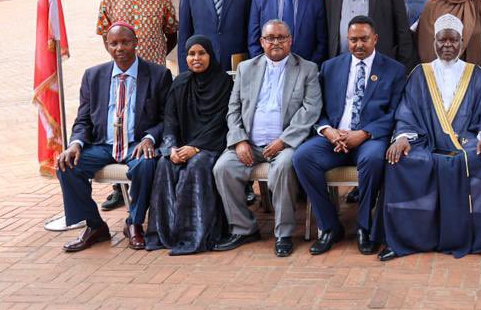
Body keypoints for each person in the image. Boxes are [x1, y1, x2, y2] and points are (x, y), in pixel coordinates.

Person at [377, 14, 481, 262]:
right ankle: (405, 239)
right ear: (434, 42)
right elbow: (407, 111)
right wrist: (402, 137)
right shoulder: (420, 73)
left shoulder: (475, 74)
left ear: (462, 42)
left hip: (465, 143)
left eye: (453, 40)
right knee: (400, 161)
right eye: (442, 40)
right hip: (426, 142)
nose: (447, 45)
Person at [292, 16, 405, 255]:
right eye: (353, 40)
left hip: (369, 139)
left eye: (364, 39)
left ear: (375, 39)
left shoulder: (394, 70)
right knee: (302, 157)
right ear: (347, 40)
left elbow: (395, 112)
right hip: (333, 138)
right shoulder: (330, 67)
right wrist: (328, 131)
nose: (358, 45)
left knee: (374, 159)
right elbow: (317, 108)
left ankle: (364, 226)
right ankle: (330, 226)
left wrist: (363, 134)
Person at [56, 23, 173, 252]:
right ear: (106, 45)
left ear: (136, 42)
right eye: (114, 43)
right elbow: (83, 119)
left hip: (136, 144)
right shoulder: (93, 76)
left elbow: (167, 119)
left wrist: (149, 138)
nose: (120, 47)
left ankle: (135, 224)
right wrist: (75, 144)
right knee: (66, 165)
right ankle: (95, 225)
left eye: (125, 42)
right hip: (103, 144)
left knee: (146, 165)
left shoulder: (158, 74)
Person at [212, 19, 322, 257]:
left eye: (281, 37)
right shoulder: (246, 68)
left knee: (283, 166)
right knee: (222, 167)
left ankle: (283, 233)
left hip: (285, 144)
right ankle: (244, 228)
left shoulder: (307, 69)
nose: (276, 42)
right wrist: (239, 140)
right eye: (270, 38)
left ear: (290, 41)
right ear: (262, 42)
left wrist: (284, 141)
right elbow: (233, 108)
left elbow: (310, 110)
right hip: (248, 144)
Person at [95, 0, 177, 211]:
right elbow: (105, 37)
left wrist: (156, 58)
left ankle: (147, 183)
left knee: (148, 129)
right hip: (121, 76)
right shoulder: (109, 0)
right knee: (119, 124)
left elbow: (172, 33)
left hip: (153, 77)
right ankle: (119, 188)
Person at [145, 35, 232, 255]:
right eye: (191, 54)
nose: (196, 58)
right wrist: (172, 147)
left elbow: (221, 122)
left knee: (197, 166)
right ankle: (167, 233)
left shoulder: (224, 83)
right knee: (165, 164)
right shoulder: (180, 83)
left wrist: (196, 147)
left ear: (210, 55)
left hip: (211, 145)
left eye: (201, 53)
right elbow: (170, 120)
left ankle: (194, 234)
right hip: (182, 146)